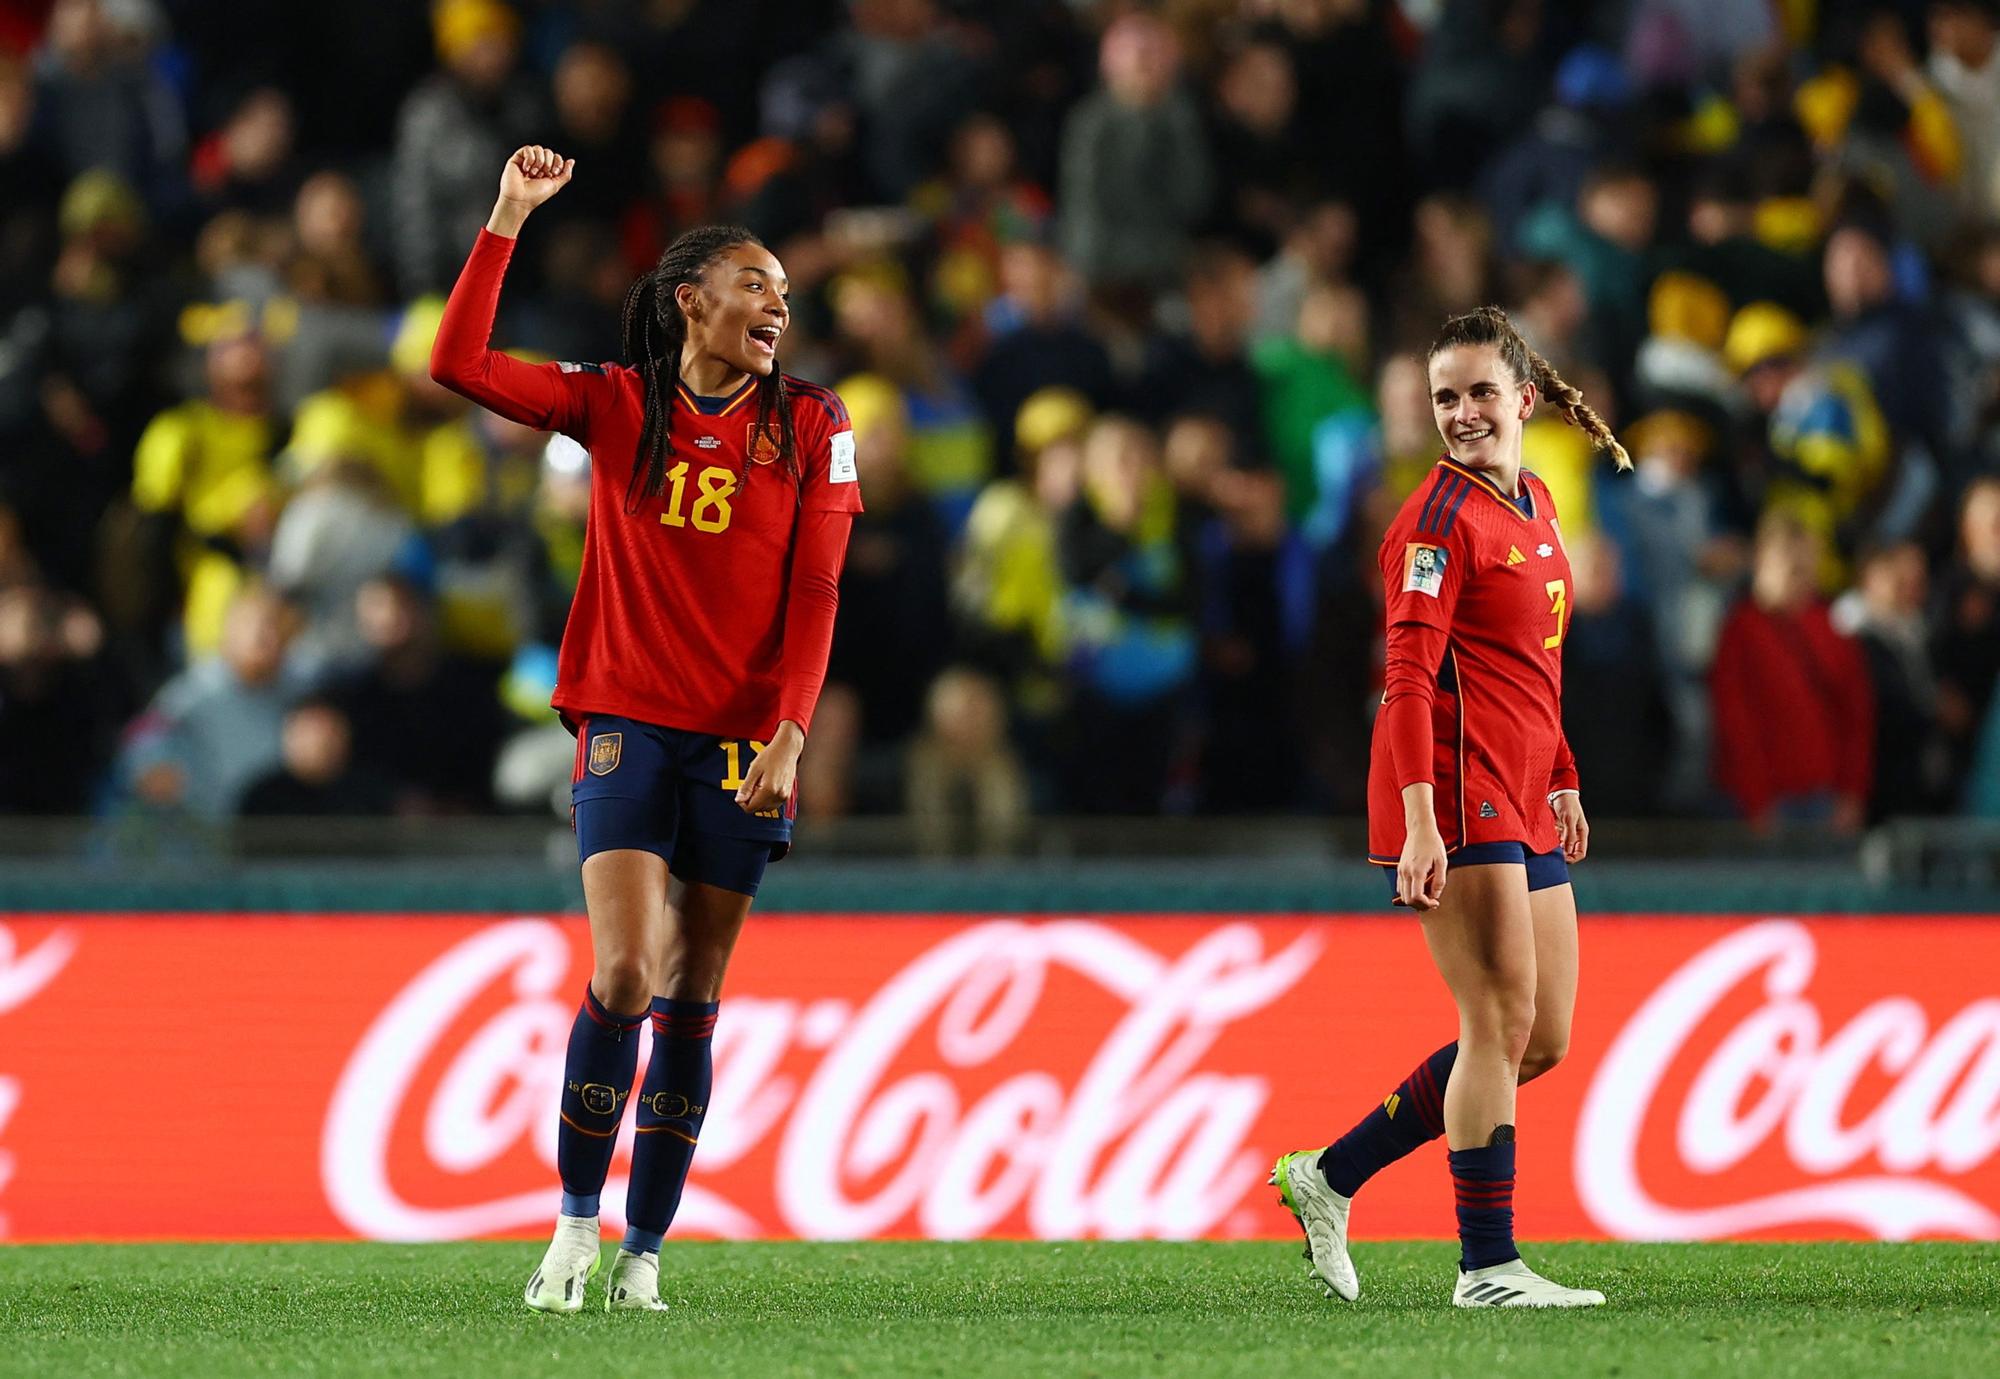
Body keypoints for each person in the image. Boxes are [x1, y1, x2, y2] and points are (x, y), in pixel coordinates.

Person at [430, 147, 859, 1313]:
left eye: (784, 292)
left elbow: (817, 593)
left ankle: (645, 1251)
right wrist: (507, 215)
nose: (778, 306)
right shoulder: (614, 402)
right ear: (690, 301)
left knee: (693, 992)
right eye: (756, 284)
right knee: (621, 971)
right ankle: (574, 1223)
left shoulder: (815, 423)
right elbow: (454, 361)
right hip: (625, 716)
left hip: (740, 742)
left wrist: (790, 731)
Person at [1272, 306, 1629, 1309]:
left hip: (1519, 789)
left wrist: (1558, 771)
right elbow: (1406, 679)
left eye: (1477, 393)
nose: (1461, 413)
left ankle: (1328, 1174)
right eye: (1443, 397)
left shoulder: (1539, 501)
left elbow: (1533, 662)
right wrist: (1420, 819)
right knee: (1494, 1019)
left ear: (1523, 398)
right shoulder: (1432, 523)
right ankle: (1485, 1264)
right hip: (1453, 788)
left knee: (1540, 1035)